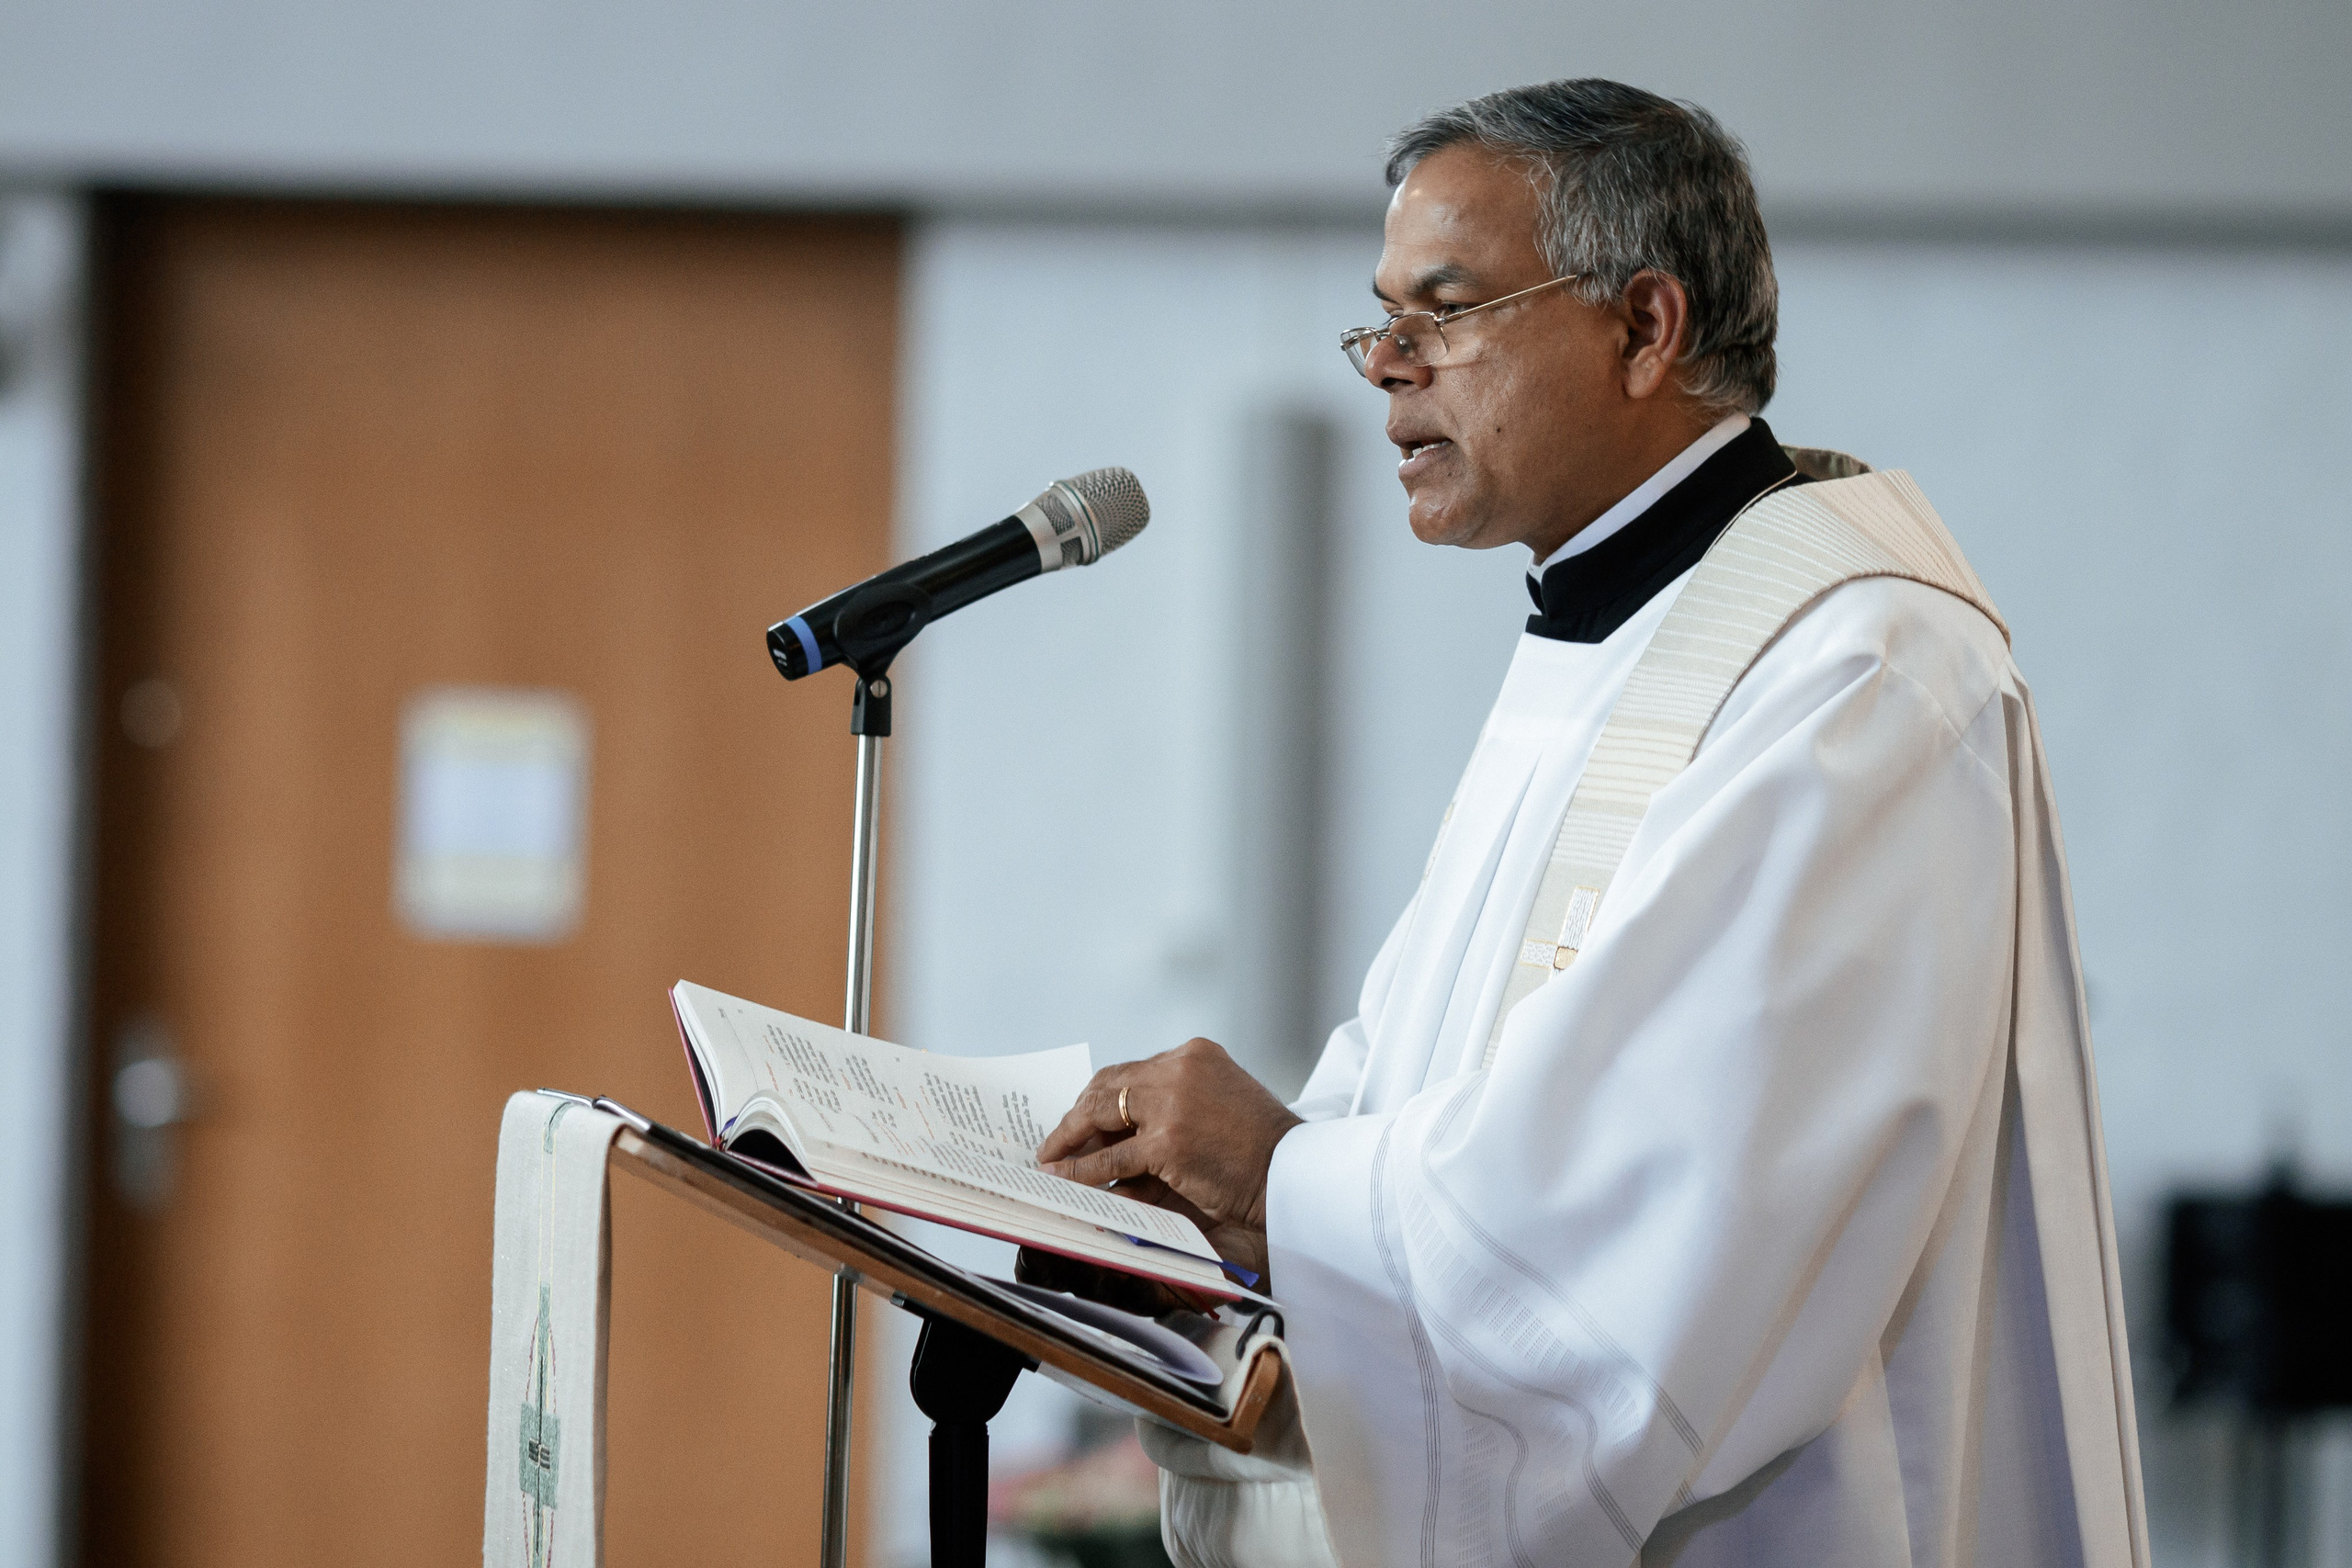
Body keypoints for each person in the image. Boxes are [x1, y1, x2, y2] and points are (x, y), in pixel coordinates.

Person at [1023, 78, 2149, 1568]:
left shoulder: (1856, 669)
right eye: (1379, 317)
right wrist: (1205, 1241)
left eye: (1446, 308)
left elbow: (1679, 1221)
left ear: (1644, 328)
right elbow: (1434, 1097)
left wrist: (1281, 1178)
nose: (1387, 367)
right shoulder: (1606, 641)